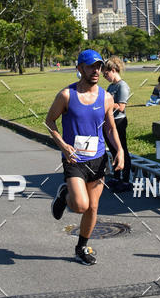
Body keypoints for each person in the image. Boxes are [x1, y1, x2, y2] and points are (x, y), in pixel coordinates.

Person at [45, 49, 124, 265]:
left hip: (98, 159)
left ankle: (81, 247)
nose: (96, 70)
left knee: (93, 207)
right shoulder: (66, 95)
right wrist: (62, 145)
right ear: (80, 68)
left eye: (99, 66)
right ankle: (65, 194)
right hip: (75, 159)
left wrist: (120, 150)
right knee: (80, 205)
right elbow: (49, 122)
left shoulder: (106, 97)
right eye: (91, 66)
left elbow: (109, 128)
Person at [102, 56, 132, 190]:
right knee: (113, 150)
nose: (104, 76)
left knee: (122, 150)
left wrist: (107, 103)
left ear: (113, 70)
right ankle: (116, 176)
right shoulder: (111, 86)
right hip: (110, 121)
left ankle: (125, 180)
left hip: (119, 121)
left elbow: (121, 107)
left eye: (106, 73)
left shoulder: (122, 86)